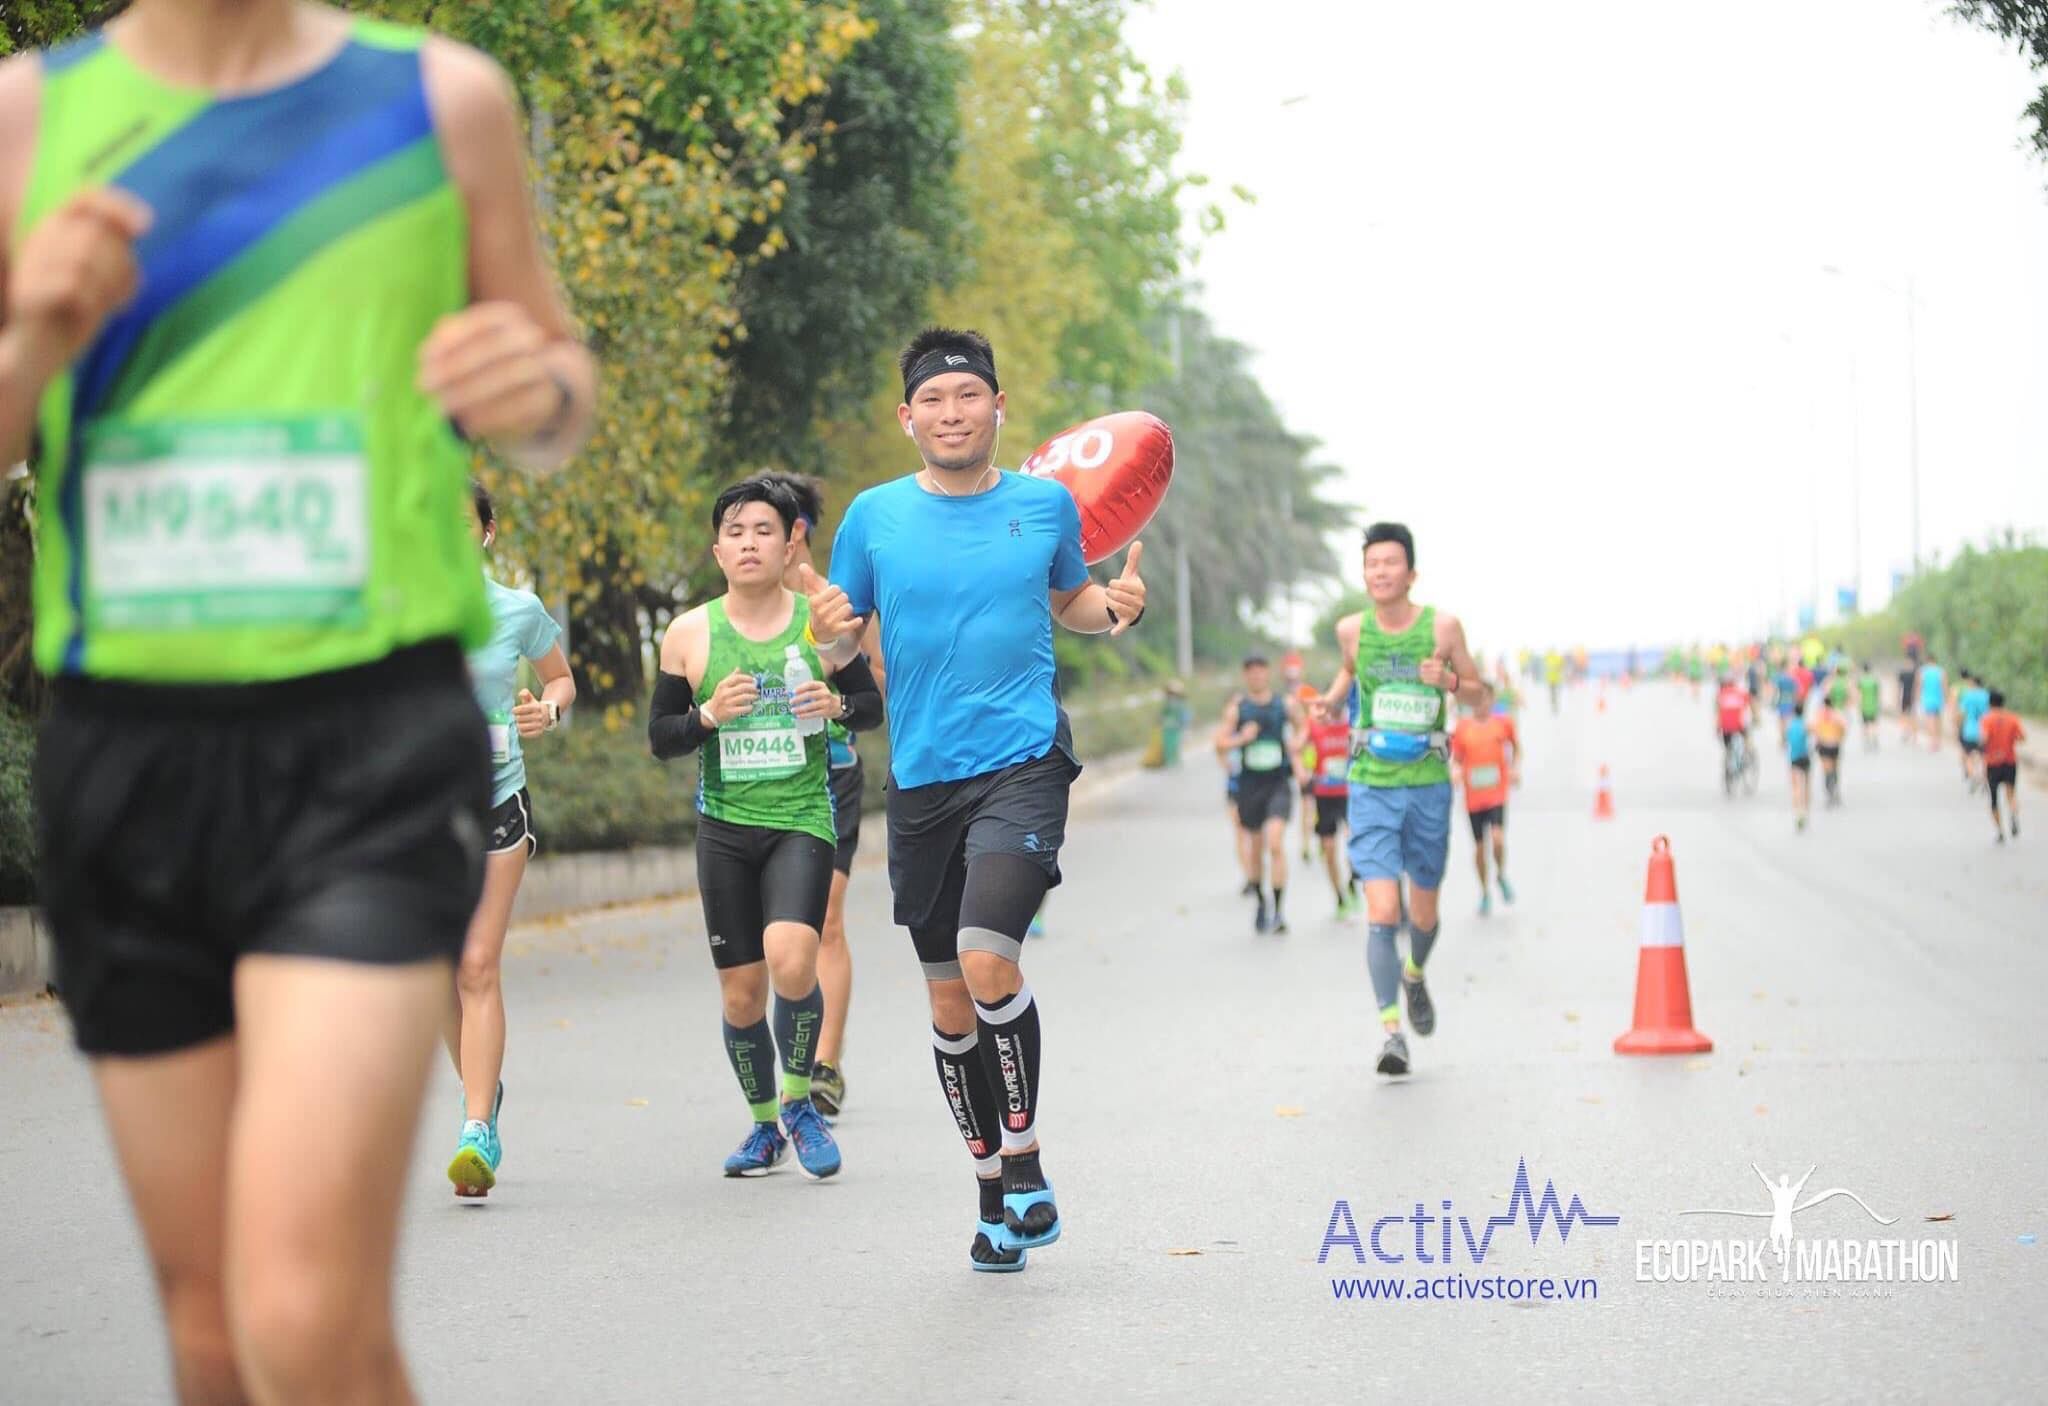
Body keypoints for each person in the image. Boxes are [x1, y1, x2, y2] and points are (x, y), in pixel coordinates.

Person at [0, 4, 598, 1398]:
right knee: (213, 1333)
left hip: (370, 742)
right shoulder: (28, 114)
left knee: (304, 1312)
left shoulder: (442, 99)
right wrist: (34, 336)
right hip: (130, 747)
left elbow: (559, 385)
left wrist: (530, 390)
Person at [811, 326, 1148, 1271]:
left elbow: (1072, 602)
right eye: (933, 399)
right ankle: (993, 1190)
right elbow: (841, 647)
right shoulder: (873, 518)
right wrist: (829, 636)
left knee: (988, 956)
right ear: (906, 416)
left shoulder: (1044, 506)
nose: (951, 413)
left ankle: (1027, 1157)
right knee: (951, 1003)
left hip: (1023, 762)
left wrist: (1114, 612)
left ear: (998, 408)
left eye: (968, 396)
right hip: (923, 779)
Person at [648, 478, 884, 1181]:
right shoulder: (689, 634)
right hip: (724, 828)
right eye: (735, 532)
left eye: (763, 531)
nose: (749, 543)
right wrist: (707, 716)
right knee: (741, 994)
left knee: (792, 959)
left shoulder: (820, 623)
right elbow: (662, 737)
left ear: (789, 546)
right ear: (717, 551)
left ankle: (799, 1102)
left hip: (801, 819)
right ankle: (762, 1126)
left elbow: (869, 706)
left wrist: (836, 705)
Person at [1313, 522, 1488, 1078]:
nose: (1381, 572)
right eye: (1372, 564)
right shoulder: (1351, 631)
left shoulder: (1443, 627)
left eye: (1390, 563)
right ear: (1365, 574)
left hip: (1429, 786)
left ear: (1411, 574)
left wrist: (1450, 682)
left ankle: (1414, 975)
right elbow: (1348, 672)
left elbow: (1483, 697)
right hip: (1371, 785)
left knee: (1424, 915)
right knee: (1383, 911)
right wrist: (1331, 702)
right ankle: (1392, 1033)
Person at [445, 483, 576, 1197]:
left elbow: (561, 680)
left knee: (475, 965)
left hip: (497, 798)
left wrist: (546, 712)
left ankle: (476, 1130)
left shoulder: (517, 611)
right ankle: (482, 1088)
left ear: (487, 532)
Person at [755, 472, 887, 1119]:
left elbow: (878, 683)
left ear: (796, 532)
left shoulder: (838, 601)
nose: (751, 540)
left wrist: (835, 679)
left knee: (825, 920)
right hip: (756, 782)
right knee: (774, 936)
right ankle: (781, 1064)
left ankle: (824, 1065)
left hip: (829, 773)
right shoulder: (735, 609)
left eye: (764, 526)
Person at [1218, 654, 1306, 934]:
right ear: (1246, 676)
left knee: (1275, 843)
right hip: (1250, 785)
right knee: (1255, 848)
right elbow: (1220, 742)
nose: (1256, 676)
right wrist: (1240, 739)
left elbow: (1304, 727)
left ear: (1268, 673)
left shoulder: (1284, 704)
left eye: (1260, 671)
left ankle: (1279, 911)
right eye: (1251, 672)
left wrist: (1297, 744)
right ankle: (1260, 901)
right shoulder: (1238, 708)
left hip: (1278, 782)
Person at [1448, 696, 1519, 916]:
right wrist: (1456, 772)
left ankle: (1500, 874)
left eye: (1484, 699)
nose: (1481, 705)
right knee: (1479, 848)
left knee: (1497, 839)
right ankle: (1484, 892)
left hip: (1497, 793)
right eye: (1477, 700)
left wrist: (1514, 768)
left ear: (1490, 701)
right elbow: (1457, 759)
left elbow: (1516, 747)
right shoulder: (1463, 728)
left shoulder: (1502, 724)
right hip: (1474, 798)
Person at [1303, 690, 1361, 917]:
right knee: (1328, 849)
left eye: (1339, 703)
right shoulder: (1314, 726)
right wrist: (1302, 769)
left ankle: (1353, 882)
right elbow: (1298, 748)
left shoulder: (1353, 725)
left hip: (1349, 794)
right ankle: (1339, 896)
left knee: (1353, 841)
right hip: (1324, 796)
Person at [1980, 690, 2025, 843]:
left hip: (1993, 763)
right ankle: (2013, 815)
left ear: (1990, 703)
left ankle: (2000, 832)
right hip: (2010, 761)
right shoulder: (2013, 718)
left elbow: (1984, 739)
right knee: (2011, 793)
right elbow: (2022, 737)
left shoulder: (1987, 719)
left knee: (1994, 800)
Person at [1956, 670, 1991, 793]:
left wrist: (1958, 725)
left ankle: (1973, 777)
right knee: (1984, 756)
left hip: (1969, 730)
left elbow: (1961, 713)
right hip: (1984, 731)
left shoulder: (1968, 695)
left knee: (1968, 756)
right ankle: (1984, 778)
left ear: (1973, 683)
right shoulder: (1987, 695)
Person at [1715, 671, 1753, 783]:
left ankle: (1728, 763)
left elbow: (1717, 713)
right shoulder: (1741, 693)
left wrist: (1717, 728)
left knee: (1728, 748)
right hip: (1739, 725)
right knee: (1747, 739)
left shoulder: (1720, 695)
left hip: (1725, 727)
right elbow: (1750, 706)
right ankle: (1747, 752)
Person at [1813, 694, 1848, 808]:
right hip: (1835, 744)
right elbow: (1844, 727)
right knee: (1835, 769)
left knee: (1826, 770)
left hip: (1824, 745)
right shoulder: (1836, 714)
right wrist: (1839, 738)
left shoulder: (1819, 714)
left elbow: (1815, 729)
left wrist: (1818, 739)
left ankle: (1829, 792)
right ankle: (1835, 790)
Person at [1786, 697, 1814, 832]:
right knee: (1807, 786)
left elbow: (1786, 741)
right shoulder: (1806, 725)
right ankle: (1806, 812)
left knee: (1796, 787)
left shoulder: (1790, 726)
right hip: (1805, 757)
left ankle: (1798, 813)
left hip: (1794, 759)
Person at [1159, 679, 1192, 768]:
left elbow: (1184, 715)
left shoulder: (1180, 703)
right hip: (1167, 727)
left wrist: (1183, 725)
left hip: (1176, 726)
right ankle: (1170, 760)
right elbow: (1163, 714)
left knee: (1175, 743)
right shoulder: (1167, 703)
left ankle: (1175, 760)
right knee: (1168, 744)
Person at [1918, 654, 1947, 752]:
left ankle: (1932, 741)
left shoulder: (1923, 671)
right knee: (1938, 720)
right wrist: (1946, 698)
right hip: (1939, 699)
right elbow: (1944, 686)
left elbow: (1920, 685)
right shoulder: (1941, 671)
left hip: (1927, 699)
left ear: (1927, 660)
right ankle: (1938, 740)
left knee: (1930, 720)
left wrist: (1918, 698)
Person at [1857, 661, 1882, 750]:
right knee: (1874, 723)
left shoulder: (1861, 680)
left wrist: (1859, 705)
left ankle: (1867, 741)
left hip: (1864, 704)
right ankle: (1874, 738)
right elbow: (1878, 693)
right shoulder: (1874, 680)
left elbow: (1859, 694)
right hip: (1873, 704)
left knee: (1865, 724)